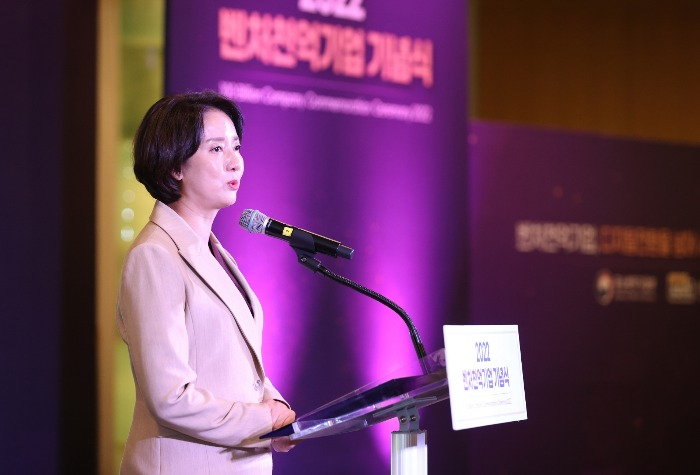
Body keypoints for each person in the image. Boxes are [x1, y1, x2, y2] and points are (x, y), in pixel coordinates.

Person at [116, 90, 297, 474]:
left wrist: (276, 409)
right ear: (174, 167)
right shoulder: (155, 256)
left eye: (236, 147)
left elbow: (235, 368)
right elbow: (169, 397)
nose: (236, 163)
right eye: (216, 150)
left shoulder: (216, 253)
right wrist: (261, 419)